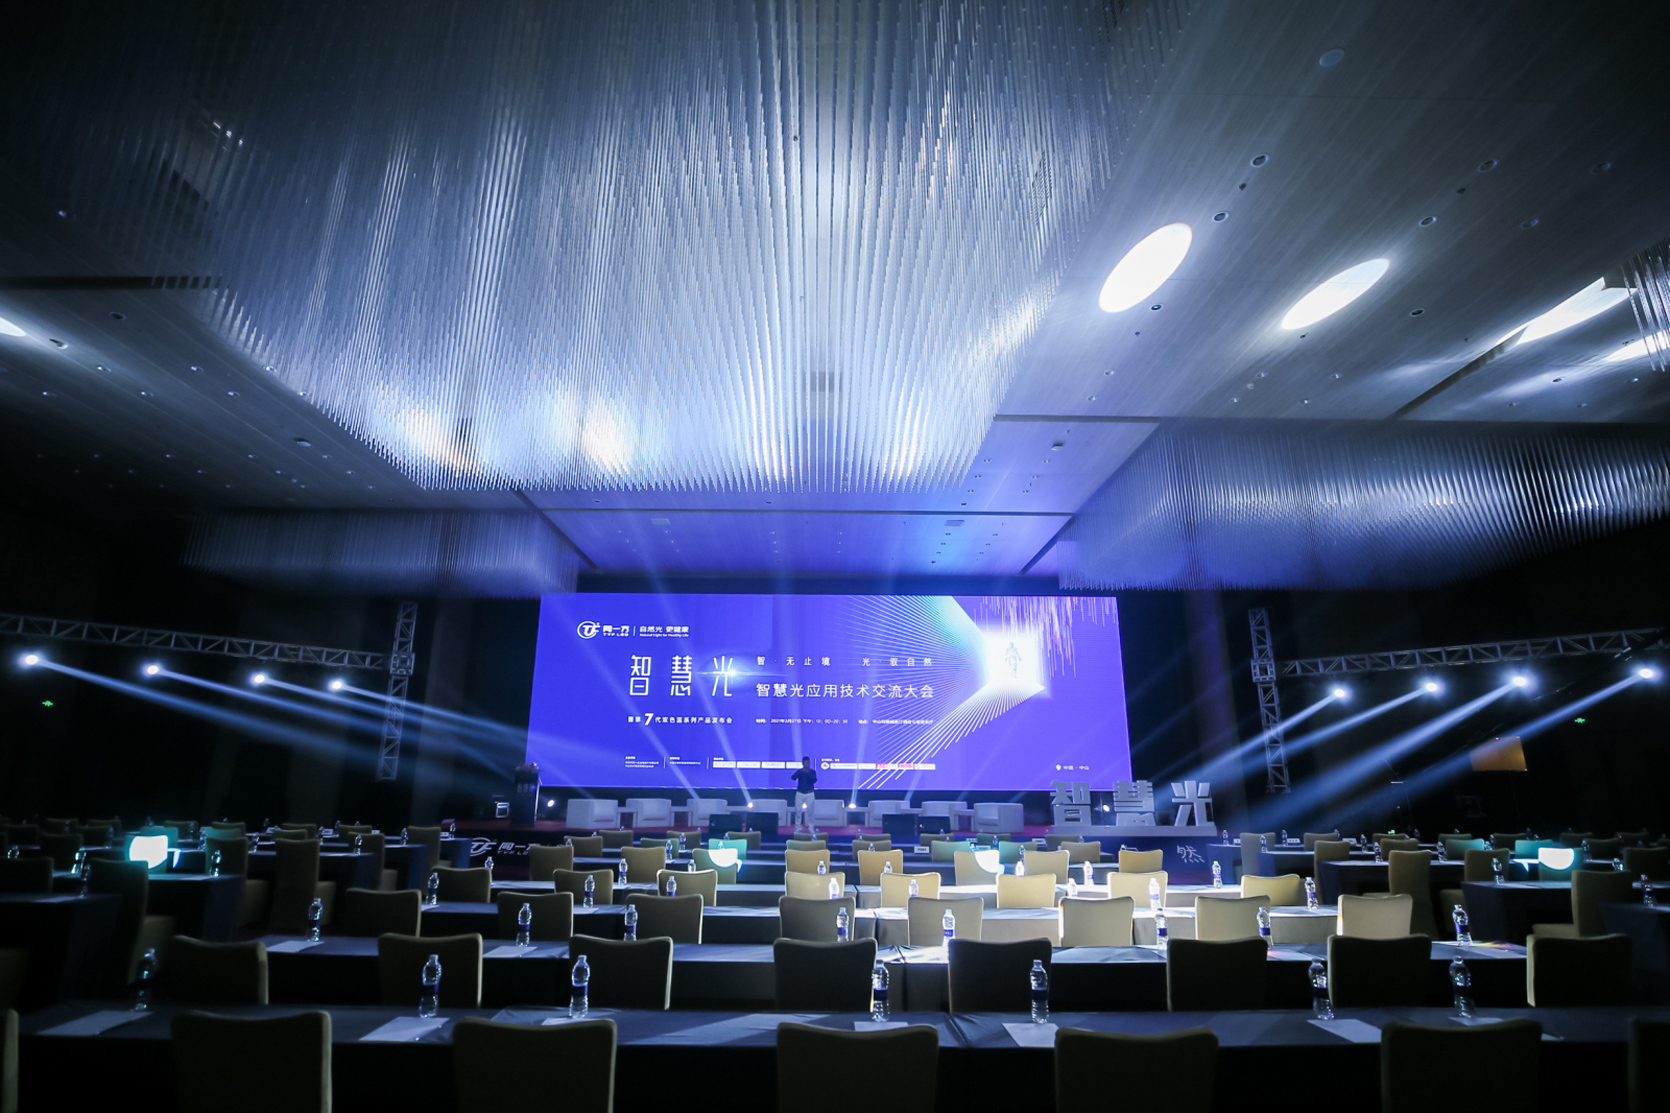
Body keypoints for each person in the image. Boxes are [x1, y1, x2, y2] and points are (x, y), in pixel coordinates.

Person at [792, 756, 818, 833]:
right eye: (805, 762)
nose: (807, 764)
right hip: (799, 793)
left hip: (809, 793)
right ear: (803, 763)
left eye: (808, 762)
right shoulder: (800, 771)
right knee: (798, 811)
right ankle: (798, 828)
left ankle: (811, 828)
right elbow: (793, 777)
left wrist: (808, 773)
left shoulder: (812, 772)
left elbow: (814, 780)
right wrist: (800, 772)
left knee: (810, 811)